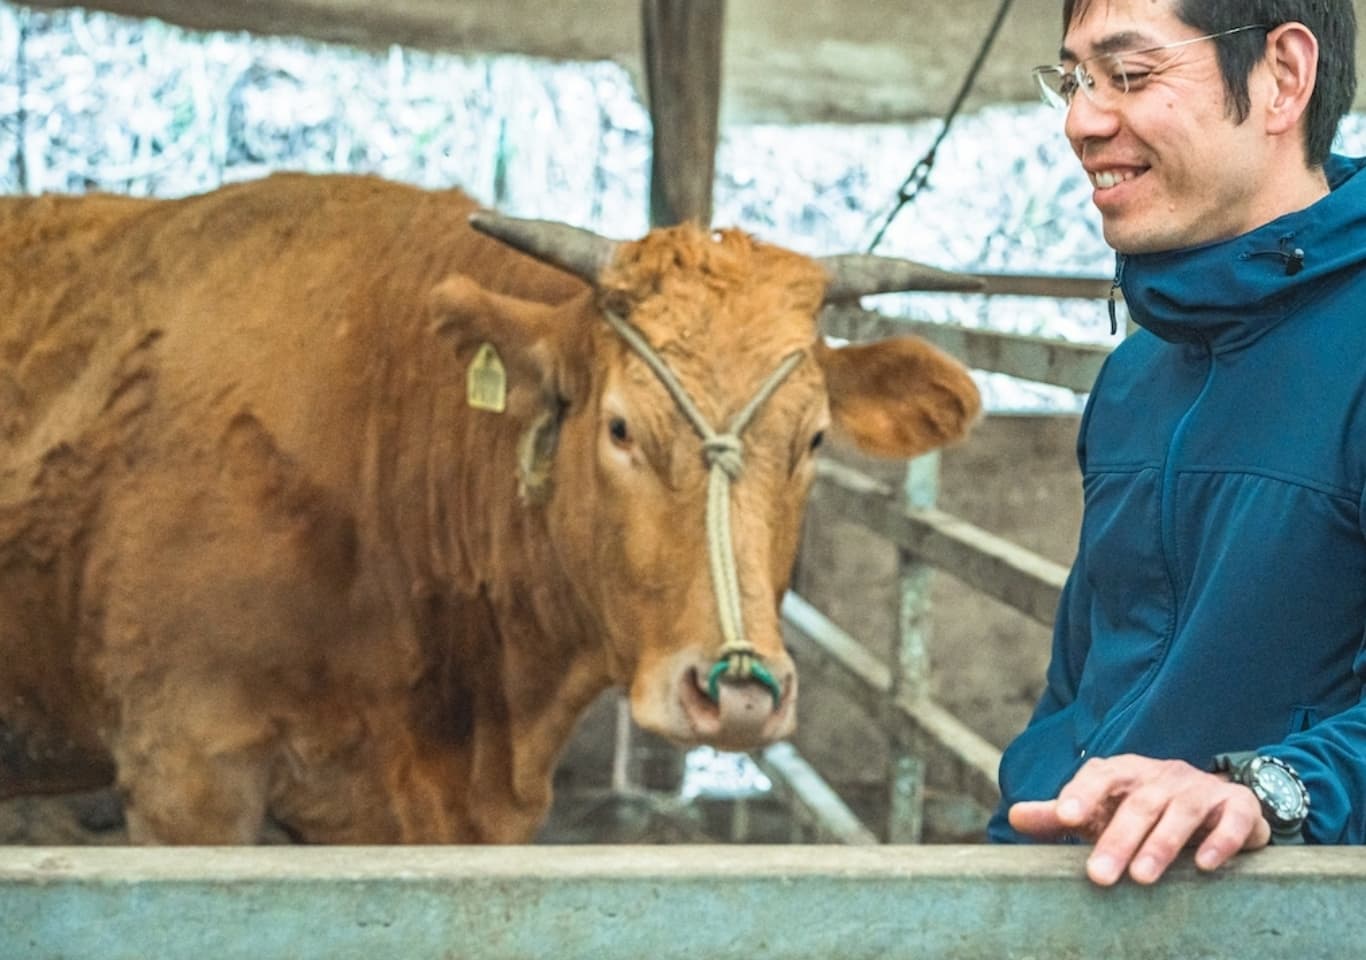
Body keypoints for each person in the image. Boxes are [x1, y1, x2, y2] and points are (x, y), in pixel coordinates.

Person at [989, 0, 1365, 886]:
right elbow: (1080, 696)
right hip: (1087, 905)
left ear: (1283, 77)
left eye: (1131, 74)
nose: (1082, 119)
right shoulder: (1136, 373)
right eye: (1076, 78)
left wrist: (1271, 788)